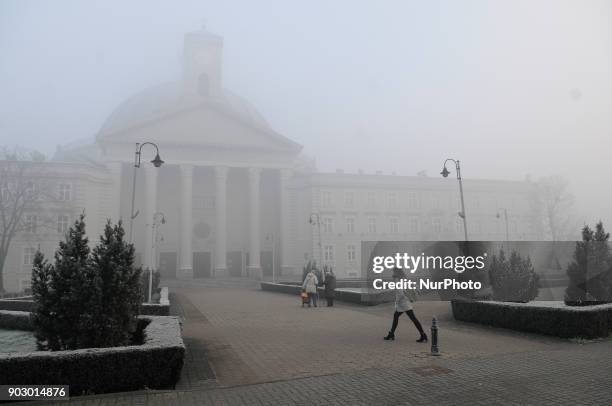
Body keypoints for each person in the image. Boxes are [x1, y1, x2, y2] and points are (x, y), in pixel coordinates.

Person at [383, 268, 427, 342]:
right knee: (397, 316)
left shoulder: (397, 280)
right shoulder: (403, 278)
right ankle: (391, 334)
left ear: (396, 273)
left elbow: (400, 293)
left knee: (412, 318)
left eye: (393, 271)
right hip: (404, 301)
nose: (392, 273)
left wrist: (397, 301)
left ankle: (423, 335)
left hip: (403, 303)